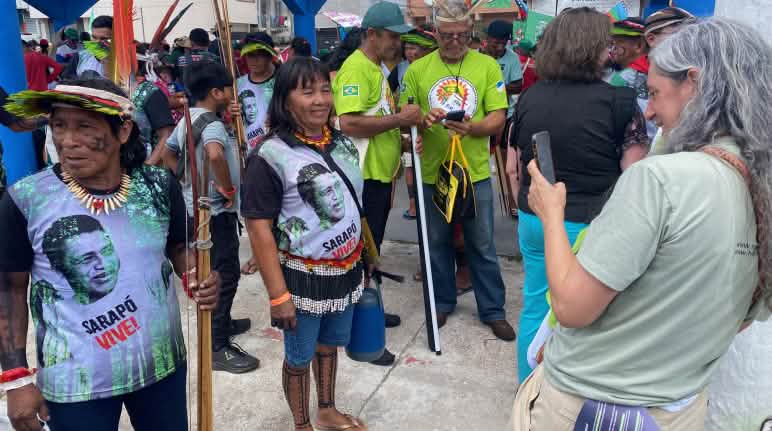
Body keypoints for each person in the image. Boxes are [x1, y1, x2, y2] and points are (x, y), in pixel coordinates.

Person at [510, 18, 772, 430]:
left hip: (594, 406)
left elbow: (571, 308)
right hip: (679, 407)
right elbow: (738, 318)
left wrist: (552, 214)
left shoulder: (660, 180)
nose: (649, 111)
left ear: (694, 83)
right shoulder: (760, 188)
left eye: (654, 94)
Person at [0, 78, 219, 431]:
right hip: (75, 383)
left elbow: (178, 248)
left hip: (159, 365)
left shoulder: (157, 186)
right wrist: (16, 378)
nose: (67, 142)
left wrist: (197, 274)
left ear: (123, 131)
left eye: (84, 127)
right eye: (58, 126)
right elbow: (8, 290)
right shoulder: (26, 200)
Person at [510, 7, 649, 383]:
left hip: (532, 216)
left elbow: (514, 164)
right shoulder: (620, 103)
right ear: (598, 49)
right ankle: (561, 397)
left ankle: (527, 389)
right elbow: (636, 179)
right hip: (585, 226)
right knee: (579, 319)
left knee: (536, 305)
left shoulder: (530, 97)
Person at [243, 55, 368, 431]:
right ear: (284, 99)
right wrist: (278, 295)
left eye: (325, 89)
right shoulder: (270, 156)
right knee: (298, 356)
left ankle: (326, 409)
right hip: (301, 278)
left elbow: (353, 204)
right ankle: (301, 424)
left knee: (330, 344)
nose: (319, 99)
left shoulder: (342, 142)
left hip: (345, 270)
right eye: (306, 91)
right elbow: (259, 228)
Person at [400, 0, 515, 341]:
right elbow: (407, 117)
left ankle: (493, 309)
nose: (455, 42)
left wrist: (475, 128)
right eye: (447, 36)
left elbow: (498, 115)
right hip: (432, 172)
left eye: (462, 35)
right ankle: (442, 302)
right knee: (436, 242)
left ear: (471, 32)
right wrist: (422, 120)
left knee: (482, 244)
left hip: (474, 172)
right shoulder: (418, 71)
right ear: (435, 33)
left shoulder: (487, 66)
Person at [332, 1, 423, 366]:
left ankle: (369, 307)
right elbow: (349, 123)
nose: (397, 44)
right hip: (364, 178)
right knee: (361, 251)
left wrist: (401, 134)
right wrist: (399, 118)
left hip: (379, 176)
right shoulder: (357, 70)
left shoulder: (377, 70)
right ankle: (361, 328)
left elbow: (377, 119)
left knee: (370, 251)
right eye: (391, 37)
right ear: (371, 34)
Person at [163, 61, 260, 374]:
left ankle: (224, 323)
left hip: (195, 208)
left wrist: (185, 182)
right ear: (217, 92)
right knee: (225, 273)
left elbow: (168, 152)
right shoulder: (214, 125)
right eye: (228, 89)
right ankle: (217, 345)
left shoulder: (188, 117)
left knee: (214, 269)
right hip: (215, 213)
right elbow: (216, 154)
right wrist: (227, 188)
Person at [387, 25, 437, 220]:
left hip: (434, 128)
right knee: (410, 165)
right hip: (408, 126)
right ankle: (413, 205)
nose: (411, 52)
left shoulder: (434, 68)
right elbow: (388, 93)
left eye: (415, 47)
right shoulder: (399, 69)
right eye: (407, 47)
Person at [606, 18, 655, 139]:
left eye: (619, 43)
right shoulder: (659, 73)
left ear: (639, 46)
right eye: (612, 44)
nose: (613, 50)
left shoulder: (619, 79)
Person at [237, 32, 277, 152]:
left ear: (270, 55)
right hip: (250, 151)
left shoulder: (283, 79)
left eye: (259, 55)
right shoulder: (238, 84)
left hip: (281, 148)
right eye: (250, 55)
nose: (254, 60)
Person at [132, 57, 176, 166]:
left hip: (145, 169)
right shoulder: (110, 90)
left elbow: (167, 134)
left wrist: (149, 166)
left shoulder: (150, 92)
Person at [483, 20, 523, 120]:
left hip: (505, 115)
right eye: (495, 44)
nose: (500, 48)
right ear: (487, 38)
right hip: (480, 114)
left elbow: (517, 87)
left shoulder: (513, 58)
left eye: (504, 43)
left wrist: (493, 88)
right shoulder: (477, 56)